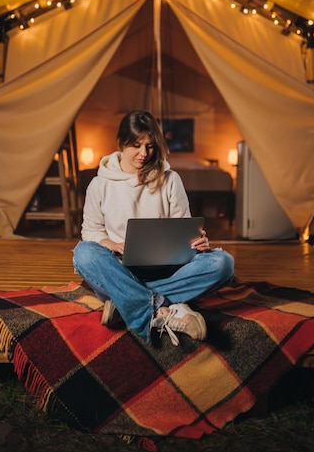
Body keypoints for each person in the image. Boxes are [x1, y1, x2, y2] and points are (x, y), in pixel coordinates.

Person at [73, 110, 235, 345]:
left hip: (167, 270)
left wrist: (198, 243)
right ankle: (164, 308)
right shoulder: (99, 184)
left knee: (223, 263)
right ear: (121, 143)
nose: (143, 154)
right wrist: (112, 244)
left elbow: (183, 227)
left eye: (149, 146)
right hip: (120, 270)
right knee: (83, 254)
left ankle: (126, 303)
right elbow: (91, 231)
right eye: (136, 146)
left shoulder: (170, 179)